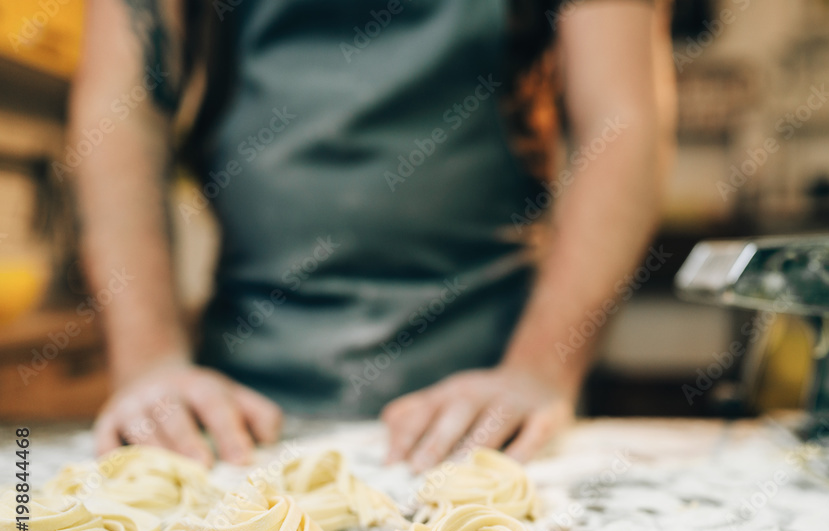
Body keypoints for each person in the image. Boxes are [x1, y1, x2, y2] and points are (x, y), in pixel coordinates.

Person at [71, 0, 674, 470]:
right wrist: (148, 361)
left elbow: (619, 116)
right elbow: (121, 107)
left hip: (497, 385)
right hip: (237, 404)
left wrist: (540, 370)